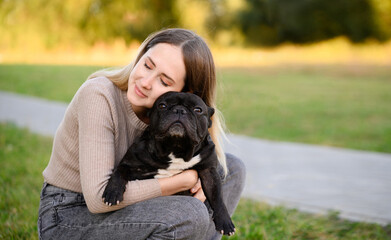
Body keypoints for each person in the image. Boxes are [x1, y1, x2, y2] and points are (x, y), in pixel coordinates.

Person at [37, 28, 246, 240]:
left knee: (232, 169)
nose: (145, 82)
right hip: (70, 215)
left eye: (164, 82)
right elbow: (99, 199)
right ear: (140, 56)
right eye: (147, 65)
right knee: (189, 213)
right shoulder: (99, 95)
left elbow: (209, 163)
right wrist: (186, 180)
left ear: (186, 94)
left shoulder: (175, 119)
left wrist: (204, 178)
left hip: (130, 206)